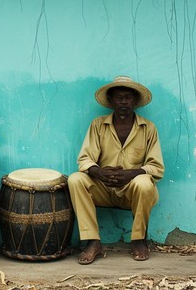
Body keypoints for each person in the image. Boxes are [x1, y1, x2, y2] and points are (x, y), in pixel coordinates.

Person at [68, 76, 164, 264]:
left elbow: (156, 167)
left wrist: (131, 174)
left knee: (144, 182)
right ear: (111, 101)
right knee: (75, 179)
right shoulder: (98, 125)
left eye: (128, 97)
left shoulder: (148, 128)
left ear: (135, 102)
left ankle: (138, 240)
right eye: (119, 97)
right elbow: (85, 159)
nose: (123, 102)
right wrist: (99, 172)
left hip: (132, 192)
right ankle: (93, 241)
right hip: (103, 189)